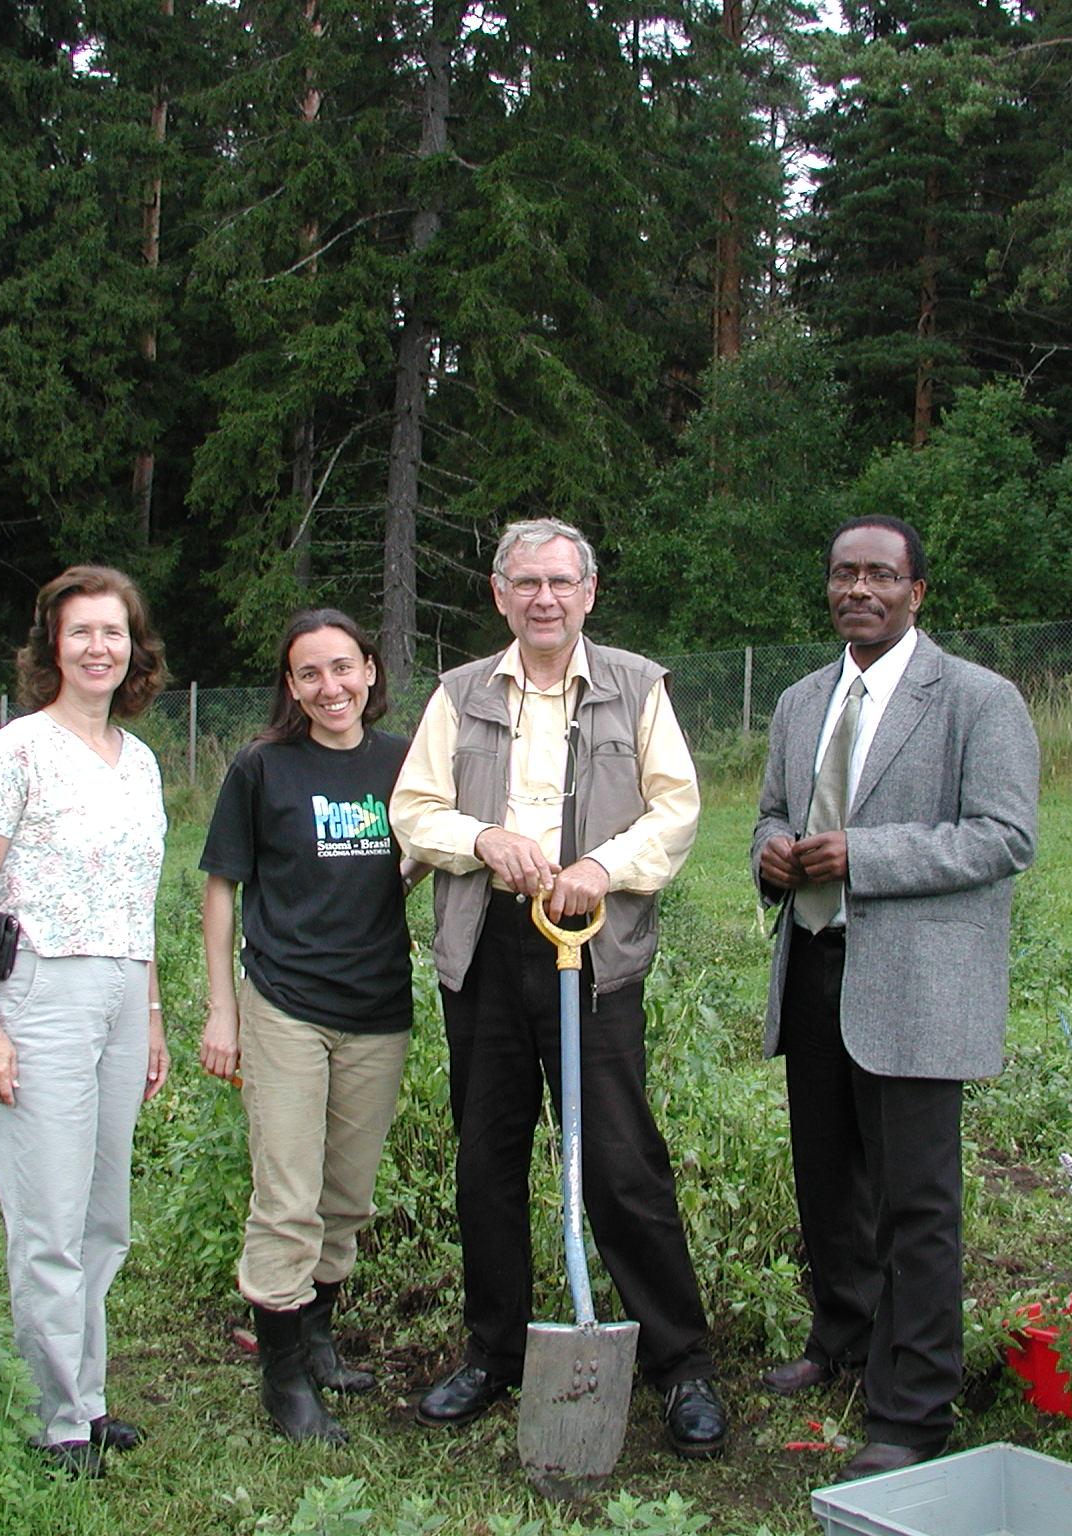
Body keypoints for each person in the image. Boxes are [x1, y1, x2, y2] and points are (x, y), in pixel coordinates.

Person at [390, 516, 728, 1458]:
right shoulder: (458, 695)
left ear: (588, 594)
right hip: (491, 945)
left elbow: (677, 809)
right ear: (500, 596)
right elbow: (413, 809)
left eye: (561, 583)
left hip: (593, 945)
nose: (545, 599)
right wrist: (481, 839)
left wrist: (604, 868)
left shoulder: (637, 686)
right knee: (486, 1156)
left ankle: (681, 1366)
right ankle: (494, 1354)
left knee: (621, 1159)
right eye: (526, 583)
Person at [751, 516, 1038, 1480]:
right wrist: (772, 851)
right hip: (816, 970)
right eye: (842, 574)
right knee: (830, 1184)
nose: (857, 590)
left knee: (916, 1204)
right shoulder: (799, 701)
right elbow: (775, 810)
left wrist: (863, 858)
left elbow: (1002, 836)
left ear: (920, 591)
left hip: (917, 985)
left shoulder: (976, 700)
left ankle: (914, 1407)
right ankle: (841, 1342)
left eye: (880, 574)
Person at [0, 565, 173, 1480]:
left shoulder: (144, 759)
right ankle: (56, 1420)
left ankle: (89, 1395)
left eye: (112, 632)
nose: (97, 648)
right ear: (52, 648)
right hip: (38, 991)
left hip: (121, 990)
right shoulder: (16, 751)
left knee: (101, 1215)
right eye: (80, 632)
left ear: (134, 649)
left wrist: (153, 1016)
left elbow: (140, 898)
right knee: (46, 1215)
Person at [197, 610, 423, 1444]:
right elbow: (222, 885)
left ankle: (319, 1340)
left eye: (343, 668)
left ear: (370, 669)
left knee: (345, 1197)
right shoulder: (262, 768)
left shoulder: (402, 762)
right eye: (309, 675)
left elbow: (428, 841)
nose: (330, 688)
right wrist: (223, 1008)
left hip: (377, 1007)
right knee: (287, 1195)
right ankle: (283, 1380)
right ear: (290, 687)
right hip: (284, 1001)